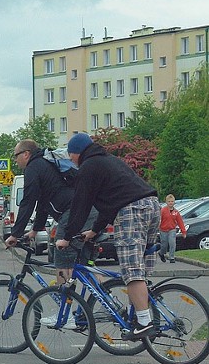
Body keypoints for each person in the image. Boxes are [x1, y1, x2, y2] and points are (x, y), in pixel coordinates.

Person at [56, 132, 161, 341]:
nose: (71, 161)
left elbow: (81, 205)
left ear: (76, 153)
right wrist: (94, 231)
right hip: (152, 206)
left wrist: (67, 237)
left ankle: (144, 322)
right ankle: (144, 310)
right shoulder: (109, 161)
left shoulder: (88, 167)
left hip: (132, 212)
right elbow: (110, 203)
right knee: (141, 272)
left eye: (70, 157)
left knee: (131, 272)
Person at [4, 139, 98, 286]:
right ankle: (109, 300)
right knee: (85, 266)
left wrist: (15, 234)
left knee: (60, 253)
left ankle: (63, 302)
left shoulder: (33, 168)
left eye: (16, 156)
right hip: (88, 210)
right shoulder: (44, 164)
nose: (15, 160)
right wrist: (35, 230)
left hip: (73, 211)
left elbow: (28, 201)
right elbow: (42, 203)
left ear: (26, 154)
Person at [159, 194, 186, 263]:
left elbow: (180, 222)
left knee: (172, 243)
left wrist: (183, 232)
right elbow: (159, 220)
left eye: (172, 201)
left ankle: (171, 257)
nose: (170, 203)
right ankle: (161, 253)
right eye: (169, 201)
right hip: (163, 230)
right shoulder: (163, 210)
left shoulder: (176, 212)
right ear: (166, 202)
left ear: (174, 202)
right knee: (164, 244)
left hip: (172, 229)